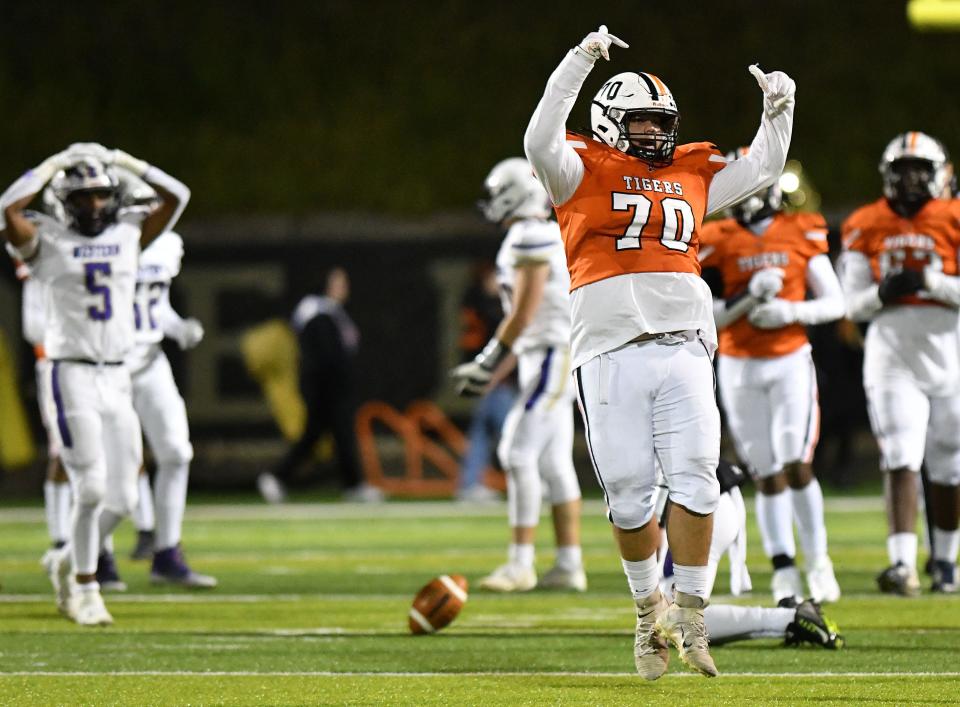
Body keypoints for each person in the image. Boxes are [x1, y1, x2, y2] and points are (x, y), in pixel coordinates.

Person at [523, 25, 795, 679]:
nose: (653, 133)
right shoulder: (577, 167)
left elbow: (763, 167)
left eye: (660, 122)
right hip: (611, 352)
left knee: (699, 480)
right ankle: (649, 613)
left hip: (684, 349)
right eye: (640, 122)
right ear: (610, 122)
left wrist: (778, 110)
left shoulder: (691, 169)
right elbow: (538, 138)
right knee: (627, 495)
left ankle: (693, 615)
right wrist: (579, 58)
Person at [1, 143, 190, 625]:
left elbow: (178, 195)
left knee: (124, 499)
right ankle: (85, 588)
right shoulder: (47, 241)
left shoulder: (129, 233)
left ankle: (66, 558)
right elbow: (7, 208)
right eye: (83, 198)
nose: (95, 207)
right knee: (89, 488)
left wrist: (127, 161)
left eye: (102, 196)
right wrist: (51, 166)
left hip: (118, 374)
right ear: (64, 200)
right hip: (72, 374)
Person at [699, 155, 844, 604]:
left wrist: (790, 312)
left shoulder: (801, 229)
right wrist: (744, 301)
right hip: (740, 364)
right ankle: (784, 569)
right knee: (763, 472)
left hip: (789, 361)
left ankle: (818, 561)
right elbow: (705, 316)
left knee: (795, 463)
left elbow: (836, 304)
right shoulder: (716, 238)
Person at [452, 157, 586, 592]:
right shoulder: (539, 233)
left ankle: (520, 564)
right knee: (553, 462)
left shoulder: (529, 236)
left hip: (552, 356)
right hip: (545, 354)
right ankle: (569, 564)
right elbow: (524, 319)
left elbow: (525, 314)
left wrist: (488, 360)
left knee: (516, 451)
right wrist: (497, 368)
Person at [839, 132, 960, 596]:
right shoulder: (865, 221)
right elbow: (852, 303)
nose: (910, 179)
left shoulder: (952, 216)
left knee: (948, 462)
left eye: (920, 170)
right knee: (901, 454)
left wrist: (928, 280)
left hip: (947, 346)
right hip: (892, 351)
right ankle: (902, 563)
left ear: (938, 174)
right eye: (902, 169)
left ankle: (946, 562)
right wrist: (882, 292)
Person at [95, 203, 215, 590]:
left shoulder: (167, 245)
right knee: (112, 470)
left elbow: (153, 303)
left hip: (150, 361)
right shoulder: (106, 244)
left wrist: (178, 327)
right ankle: (97, 555)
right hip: (108, 365)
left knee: (177, 453)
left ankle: (166, 552)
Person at [657, 460, 844, 649]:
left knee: (675, 620)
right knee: (671, 618)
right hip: (703, 500)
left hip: (698, 508)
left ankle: (791, 618)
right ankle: (789, 617)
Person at [258, 267, 383, 503]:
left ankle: (277, 478)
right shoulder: (318, 312)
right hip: (326, 387)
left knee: (315, 436)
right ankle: (353, 485)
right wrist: (335, 383)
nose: (344, 288)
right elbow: (327, 356)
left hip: (328, 386)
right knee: (339, 434)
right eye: (338, 283)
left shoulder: (329, 312)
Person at [5, 241, 72, 558]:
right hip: (55, 361)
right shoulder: (42, 253)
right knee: (63, 450)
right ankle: (60, 536)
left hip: (94, 363)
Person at [454, 262, 513, 503]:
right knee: (514, 433)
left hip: (486, 376)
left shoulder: (476, 305)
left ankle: (469, 483)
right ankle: (534, 481)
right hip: (494, 380)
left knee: (481, 432)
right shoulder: (490, 310)